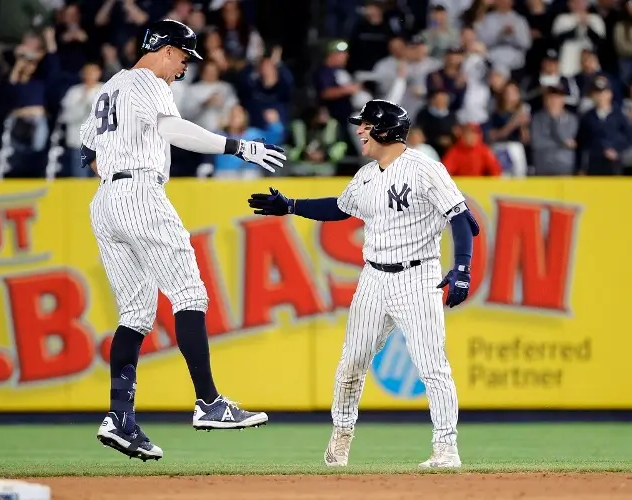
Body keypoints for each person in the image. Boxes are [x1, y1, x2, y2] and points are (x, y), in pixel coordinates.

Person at [79, 19, 285, 462]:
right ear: (165, 49)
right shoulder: (148, 81)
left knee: (136, 313)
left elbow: (89, 156)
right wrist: (237, 146)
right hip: (140, 191)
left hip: (106, 201)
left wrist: (121, 166)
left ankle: (120, 418)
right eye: (184, 57)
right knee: (189, 293)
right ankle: (209, 403)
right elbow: (172, 131)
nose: (183, 67)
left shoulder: (108, 88)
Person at [247, 100, 480, 469]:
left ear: (385, 130)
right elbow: (340, 207)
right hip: (373, 278)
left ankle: (446, 448)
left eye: (367, 125)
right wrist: (290, 205)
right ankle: (341, 437)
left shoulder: (424, 169)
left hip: (417, 277)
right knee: (351, 363)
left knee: (433, 366)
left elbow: (463, 219)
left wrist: (463, 266)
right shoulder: (367, 174)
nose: (359, 130)